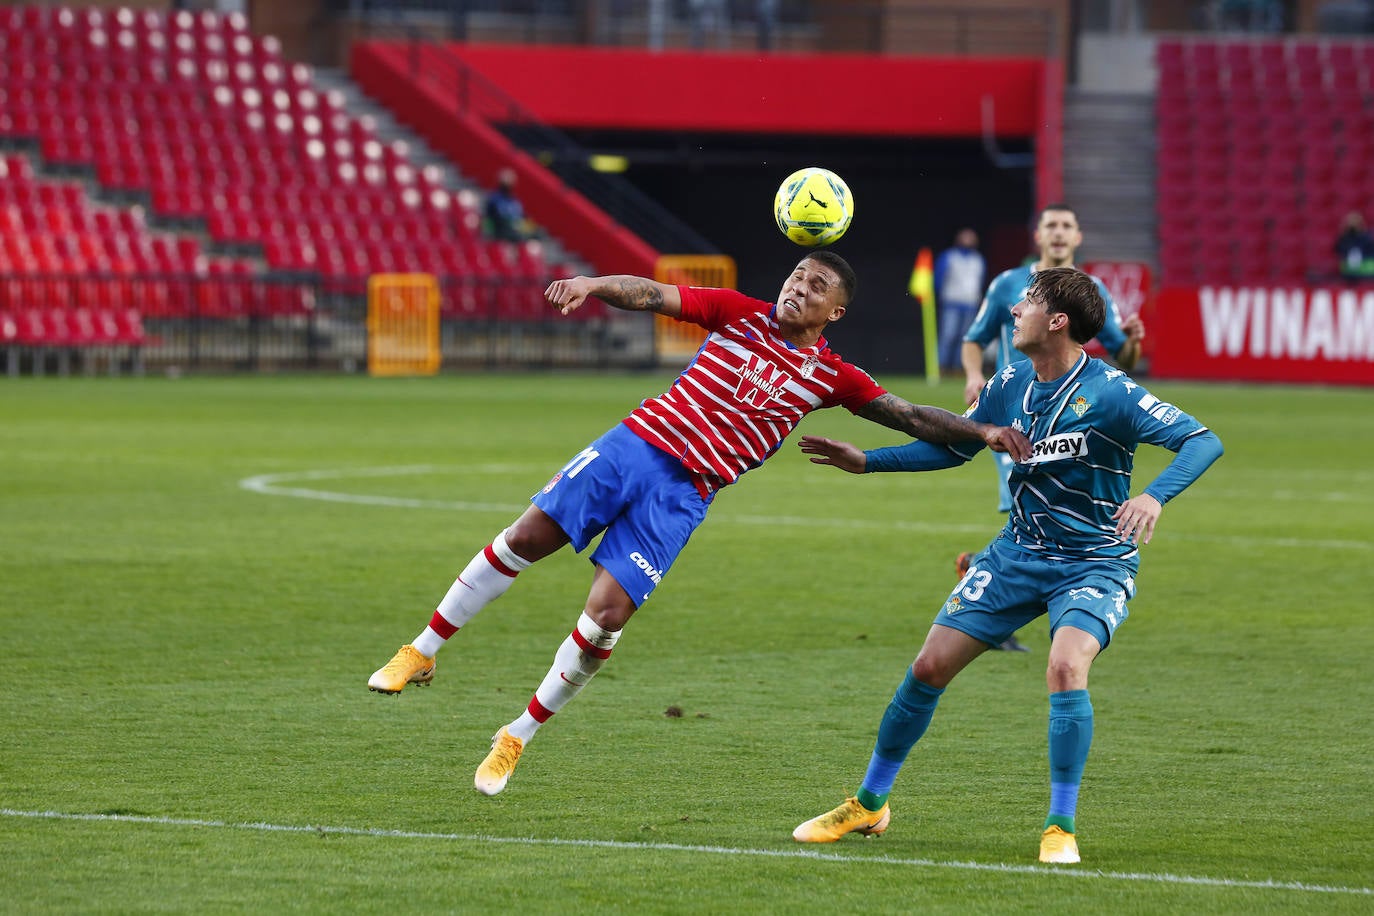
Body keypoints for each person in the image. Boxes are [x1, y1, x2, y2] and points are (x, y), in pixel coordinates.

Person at [367, 251, 1033, 797]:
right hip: (634, 444)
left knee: (605, 620)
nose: (798, 285)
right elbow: (652, 295)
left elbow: (911, 416)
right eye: (796, 274)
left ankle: (516, 734)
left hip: (684, 494)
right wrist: (594, 283)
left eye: (816, 284)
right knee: (524, 538)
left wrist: (984, 432)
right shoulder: (739, 314)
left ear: (836, 312)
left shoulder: (832, 376)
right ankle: (421, 651)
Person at [791, 267, 1223, 864]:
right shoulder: (1009, 383)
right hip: (1018, 552)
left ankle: (1059, 828)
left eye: (1027, 302)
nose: (1014, 310)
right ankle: (868, 804)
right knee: (927, 667)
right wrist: (869, 460)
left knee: (1066, 668)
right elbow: (951, 449)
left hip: (1094, 561)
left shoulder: (1112, 392)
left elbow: (1202, 441)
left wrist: (1152, 496)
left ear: (1058, 320)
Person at [959, 203, 1146, 652]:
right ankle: (1000, 603)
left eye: (1067, 226)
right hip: (1016, 418)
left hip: (1074, 418)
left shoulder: (1093, 289)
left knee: (1044, 514)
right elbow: (974, 338)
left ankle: (980, 572)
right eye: (1051, 226)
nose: (1059, 233)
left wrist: (1135, 343)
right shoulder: (1008, 284)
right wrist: (973, 376)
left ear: (1077, 237)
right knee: (1026, 510)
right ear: (1038, 236)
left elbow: (1124, 357)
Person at [933, 228, 986, 373]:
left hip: (970, 303)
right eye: (966, 237)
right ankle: (941, 367)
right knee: (948, 335)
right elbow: (938, 278)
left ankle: (958, 368)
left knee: (965, 338)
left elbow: (979, 281)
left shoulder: (978, 259)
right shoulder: (949, 256)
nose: (968, 240)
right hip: (952, 302)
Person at [483, 168, 530, 243]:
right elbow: (488, 219)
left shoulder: (515, 201)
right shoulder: (494, 199)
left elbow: (521, 218)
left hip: (515, 234)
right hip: (500, 233)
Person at [1334, 211, 1374, 281]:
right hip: (1348, 273)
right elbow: (1338, 250)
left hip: (1366, 273)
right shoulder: (1343, 239)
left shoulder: (1368, 237)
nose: (1353, 225)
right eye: (1351, 222)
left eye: (1355, 222)